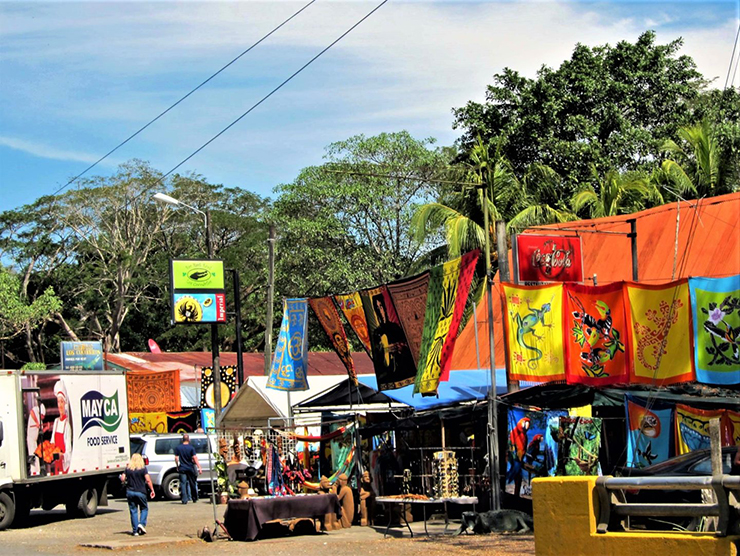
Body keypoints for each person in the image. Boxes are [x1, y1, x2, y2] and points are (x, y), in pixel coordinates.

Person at [121, 453, 155, 536]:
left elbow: (122, 478)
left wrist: (123, 479)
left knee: (133, 511)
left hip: (130, 492)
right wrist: (152, 490)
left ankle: (135, 531)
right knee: (144, 508)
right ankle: (141, 524)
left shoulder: (128, 469)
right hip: (141, 491)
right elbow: (148, 480)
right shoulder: (143, 469)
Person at [51, 380, 72, 475]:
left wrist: (62, 456)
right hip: (56, 464)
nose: (60, 405)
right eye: (58, 402)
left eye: (62, 402)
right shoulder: (56, 422)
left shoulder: (67, 425)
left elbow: (68, 450)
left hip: (64, 466)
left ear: (65, 404)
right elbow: (52, 442)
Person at [174, 434, 202, 504]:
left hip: (182, 468)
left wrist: (177, 465)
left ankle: (184, 500)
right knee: (192, 483)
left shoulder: (178, 448)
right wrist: (199, 467)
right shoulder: (191, 448)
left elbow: (176, 458)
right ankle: (194, 498)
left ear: (182, 440)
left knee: (183, 484)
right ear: (188, 439)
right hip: (190, 468)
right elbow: (195, 458)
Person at [26, 399, 46, 476]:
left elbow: (41, 430)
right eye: (42, 416)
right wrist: (37, 422)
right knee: (32, 455)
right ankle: (33, 471)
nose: (43, 417)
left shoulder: (41, 420)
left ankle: (37, 471)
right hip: (31, 439)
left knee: (36, 456)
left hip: (35, 440)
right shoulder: (35, 410)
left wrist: (46, 428)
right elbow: (31, 412)